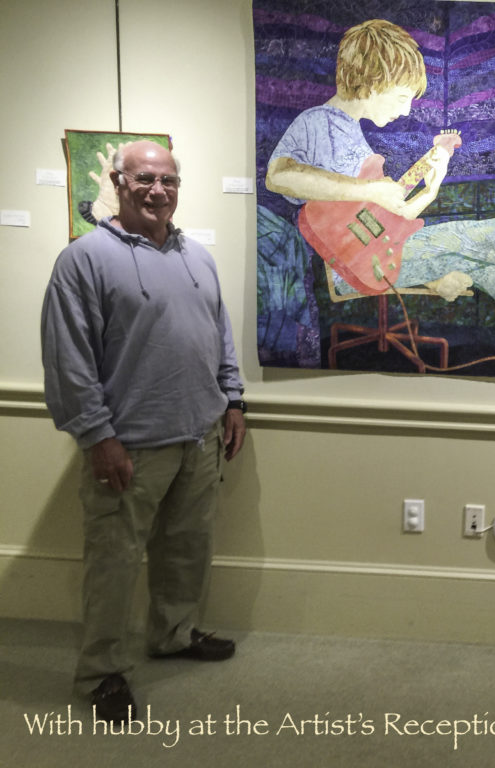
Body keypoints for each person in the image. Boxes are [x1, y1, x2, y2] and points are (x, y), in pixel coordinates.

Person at [41, 140, 246, 723]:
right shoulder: (83, 260)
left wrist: (233, 399)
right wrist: (96, 436)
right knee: (114, 561)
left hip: (199, 436)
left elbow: (218, 335)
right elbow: (69, 360)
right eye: (145, 180)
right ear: (118, 181)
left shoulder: (197, 256)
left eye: (169, 181)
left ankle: (174, 633)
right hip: (128, 443)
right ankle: (102, 671)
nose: (158, 191)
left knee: (186, 548)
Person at [264, 18, 495, 376]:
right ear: (374, 81)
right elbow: (278, 176)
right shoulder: (316, 121)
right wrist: (370, 189)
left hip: (377, 255)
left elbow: (387, 219)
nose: (406, 110)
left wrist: (433, 184)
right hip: (351, 264)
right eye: (402, 97)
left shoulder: (354, 136)